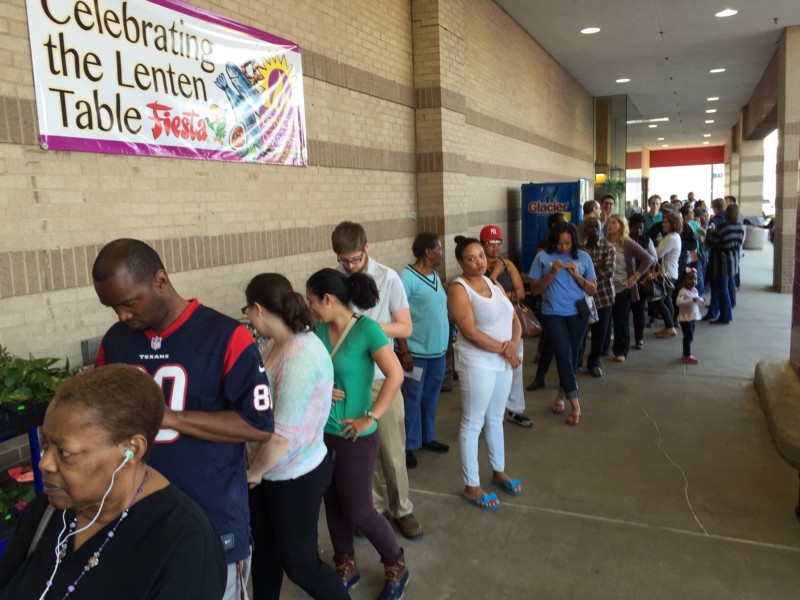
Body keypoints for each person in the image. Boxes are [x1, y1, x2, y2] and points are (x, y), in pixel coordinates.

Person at [92, 239, 276, 600]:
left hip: (212, 516)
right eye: (112, 307)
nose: (122, 315)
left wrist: (172, 418)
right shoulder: (115, 342)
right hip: (140, 517)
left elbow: (258, 425)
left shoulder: (227, 336)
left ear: (160, 280)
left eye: (129, 303)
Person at [0, 364, 227, 599]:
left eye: (65, 452)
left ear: (131, 451)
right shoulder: (47, 512)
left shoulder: (186, 544)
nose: (44, 463)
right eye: (46, 444)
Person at [243, 274, 348, 600]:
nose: (247, 316)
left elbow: (281, 437)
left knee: (300, 564)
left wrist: (254, 472)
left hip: (292, 474)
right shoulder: (277, 344)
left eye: (247, 309)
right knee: (265, 553)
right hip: (267, 473)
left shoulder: (298, 354)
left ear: (258, 308)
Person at [306, 268, 409, 600]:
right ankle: (344, 562)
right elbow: (310, 372)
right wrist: (320, 388)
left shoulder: (367, 330)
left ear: (328, 298)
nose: (310, 308)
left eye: (312, 301)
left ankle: (396, 563)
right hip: (323, 433)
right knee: (332, 503)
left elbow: (395, 375)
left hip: (355, 436)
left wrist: (371, 416)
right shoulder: (318, 330)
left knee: (360, 510)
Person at [330, 221, 421, 540]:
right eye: (344, 260)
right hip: (348, 381)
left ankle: (403, 509)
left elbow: (405, 328)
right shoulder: (336, 282)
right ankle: (374, 509)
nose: (351, 266)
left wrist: (367, 328)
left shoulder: (388, 278)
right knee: (357, 449)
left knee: (392, 449)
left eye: (355, 259)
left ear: (367, 248)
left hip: (383, 376)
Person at [447, 236, 523, 510]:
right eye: (471, 258)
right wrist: (507, 351)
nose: (479, 261)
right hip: (477, 362)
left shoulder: (492, 282)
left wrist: (513, 344)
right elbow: (470, 333)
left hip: (503, 360)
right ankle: (472, 486)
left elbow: (513, 316)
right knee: (473, 421)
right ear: (460, 262)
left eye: (481, 255)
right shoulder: (459, 289)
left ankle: (498, 470)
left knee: (495, 418)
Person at [529, 222, 597, 426]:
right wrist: (552, 273)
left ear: (574, 241)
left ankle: (560, 396)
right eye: (559, 243)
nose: (563, 247)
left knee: (572, 357)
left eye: (567, 243)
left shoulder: (583, 257)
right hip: (553, 313)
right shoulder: (542, 258)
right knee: (562, 356)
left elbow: (592, 289)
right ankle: (576, 405)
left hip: (579, 313)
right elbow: (534, 290)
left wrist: (576, 275)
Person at [396, 233, 450, 470]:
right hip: (416, 354)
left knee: (431, 396)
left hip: (437, 352)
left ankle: (427, 437)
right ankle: (408, 445)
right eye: (439, 248)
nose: (442, 252)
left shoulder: (435, 274)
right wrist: (405, 351)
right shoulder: (407, 278)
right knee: (412, 398)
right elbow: (396, 315)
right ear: (428, 252)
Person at [481, 224, 533, 428]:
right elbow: (480, 295)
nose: (495, 247)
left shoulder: (508, 265)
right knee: (489, 367)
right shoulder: (478, 266)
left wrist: (501, 294)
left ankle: (515, 408)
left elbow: (520, 293)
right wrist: (494, 277)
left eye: (498, 242)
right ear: (482, 244)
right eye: (490, 243)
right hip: (487, 324)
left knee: (515, 365)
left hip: (510, 322)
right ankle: (489, 411)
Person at [527, 212, 566, 391]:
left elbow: (590, 284)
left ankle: (565, 385)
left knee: (565, 348)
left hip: (574, 310)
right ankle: (542, 377)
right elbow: (534, 287)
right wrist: (552, 273)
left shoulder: (579, 254)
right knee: (551, 344)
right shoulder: (543, 252)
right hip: (551, 308)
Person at [605, 214, 653, 361]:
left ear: (621, 226)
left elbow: (648, 258)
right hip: (606, 288)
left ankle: (621, 351)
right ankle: (603, 348)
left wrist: (635, 276)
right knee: (605, 320)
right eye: (609, 223)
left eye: (614, 223)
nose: (610, 225)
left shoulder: (627, 243)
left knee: (621, 320)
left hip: (622, 288)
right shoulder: (604, 242)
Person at [580, 217, 616, 378]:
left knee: (599, 333)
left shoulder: (609, 247)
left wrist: (587, 274)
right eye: (589, 226)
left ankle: (593, 362)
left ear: (601, 228)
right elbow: (576, 270)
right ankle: (577, 361)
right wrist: (593, 270)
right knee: (580, 332)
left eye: (596, 226)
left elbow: (608, 271)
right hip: (582, 297)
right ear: (585, 229)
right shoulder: (580, 249)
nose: (593, 228)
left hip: (603, 296)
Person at [704, 204, 745, 325]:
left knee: (720, 288)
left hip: (720, 261)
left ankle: (726, 316)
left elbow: (711, 241)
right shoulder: (740, 227)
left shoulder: (723, 227)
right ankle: (713, 312)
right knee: (719, 288)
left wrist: (710, 231)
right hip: (732, 260)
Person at [627, 214, 658, 350]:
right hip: (625, 280)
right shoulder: (624, 239)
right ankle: (623, 339)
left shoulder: (646, 240)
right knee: (623, 312)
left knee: (639, 311)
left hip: (641, 281)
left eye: (641, 228)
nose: (639, 231)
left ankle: (639, 338)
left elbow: (654, 259)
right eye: (636, 228)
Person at [651, 212, 682, 339]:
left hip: (665, 273)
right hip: (671, 272)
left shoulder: (670, 238)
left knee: (658, 300)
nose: (663, 223)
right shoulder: (674, 236)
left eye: (666, 222)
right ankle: (670, 325)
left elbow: (656, 254)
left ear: (672, 224)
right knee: (667, 300)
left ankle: (670, 327)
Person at [676, 268, 704, 364]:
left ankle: (686, 353)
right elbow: (678, 302)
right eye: (690, 279)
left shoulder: (695, 290)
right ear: (683, 281)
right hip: (685, 318)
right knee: (688, 337)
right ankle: (687, 355)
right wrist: (692, 300)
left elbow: (696, 300)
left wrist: (700, 300)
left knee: (690, 336)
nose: (693, 281)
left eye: (695, 279)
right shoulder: (683, 291)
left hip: (692, 317)